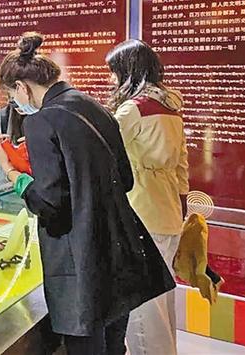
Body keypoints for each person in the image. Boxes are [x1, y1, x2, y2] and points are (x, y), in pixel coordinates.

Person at [0, 32, 174, 355]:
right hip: (117, 254)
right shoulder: (96, 107)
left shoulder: (41, 122)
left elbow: (50, 204)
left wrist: (13, 173)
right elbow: (125, 179)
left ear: (21, 87)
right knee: (114, 346)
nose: (17, 105)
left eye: (12, 96)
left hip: (79, 261)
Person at [106, 40, 189, 355]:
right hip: (169, 212)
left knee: (143, 308)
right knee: (163, 299)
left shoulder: (133, 109)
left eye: (114, 71)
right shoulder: (172, 108)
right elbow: (182, 167)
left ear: (128, 70)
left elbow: (106, 150)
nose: (111, 79)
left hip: (141, 210)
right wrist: (180, 207)